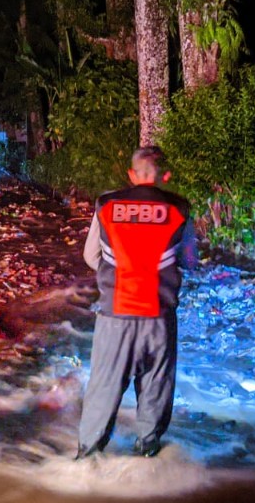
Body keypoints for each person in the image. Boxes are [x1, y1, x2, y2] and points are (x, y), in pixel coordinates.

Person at [77, 145, 195, 458]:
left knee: (104, 387)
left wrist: (114, 273)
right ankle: (147, 451)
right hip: (159, 314)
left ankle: (87, 456)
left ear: (131, 175)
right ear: (165, 176)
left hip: (116, 313)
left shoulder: (106, 204)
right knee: (156, 386)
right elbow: (191, 260)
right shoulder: (180, 208)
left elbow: (91, 256)